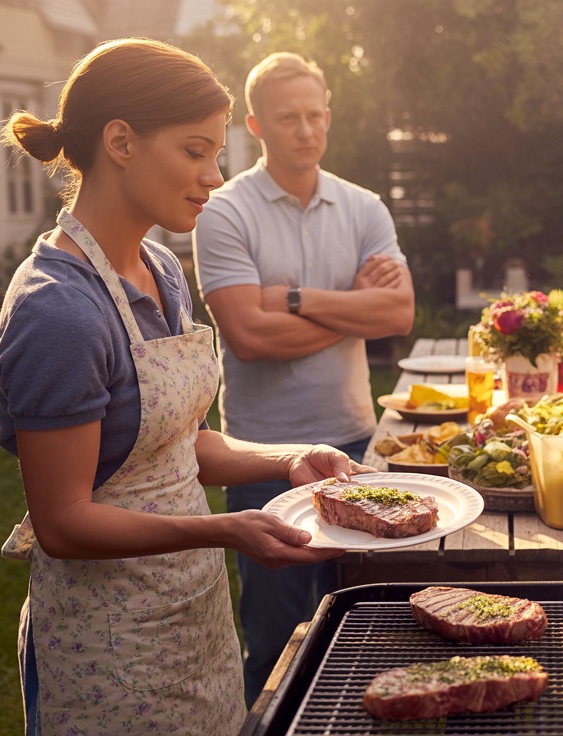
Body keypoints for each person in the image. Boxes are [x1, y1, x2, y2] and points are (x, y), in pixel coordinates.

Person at [0, 39, 361, 735]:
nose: (215, 175)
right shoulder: (59, 310)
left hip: (191, 619)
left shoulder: (159, 269)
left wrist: (287, 459)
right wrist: (225, 527)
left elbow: (179, 444)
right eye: (195, 152)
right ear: (121, 142)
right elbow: (64, 522)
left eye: (217, 155)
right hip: (106, 644)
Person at [192, 51, 415, 703]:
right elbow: (248, 338)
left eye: (316, 115)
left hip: (354, 446)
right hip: (260, 458)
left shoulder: (363, 205)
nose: (307, 130)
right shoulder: (223, 211)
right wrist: (353, 305)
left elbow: (398, 311)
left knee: (361, 623)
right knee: (275, 638)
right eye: (289, 118)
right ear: (256, 125)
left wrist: (292, 297)